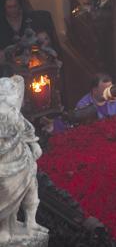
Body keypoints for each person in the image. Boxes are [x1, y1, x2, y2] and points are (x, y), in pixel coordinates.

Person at [0, 66, 48, 242]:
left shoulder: (13, 113)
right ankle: (4, 226)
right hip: (5, 164)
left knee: (31, 185)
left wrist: (34, 144)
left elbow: (26, 128)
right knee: (6, 190)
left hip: (21, 158)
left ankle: (31, 221)